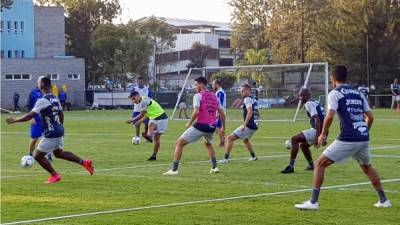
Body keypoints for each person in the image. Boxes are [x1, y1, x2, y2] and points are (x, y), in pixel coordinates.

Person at [295, 65, 391, 210]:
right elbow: (370, 117)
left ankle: (313, 202)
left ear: (333, 79)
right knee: (367, 167)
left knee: (319, 164)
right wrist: (364, 131)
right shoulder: (358, 94)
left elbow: (329, 116)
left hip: (349, 138)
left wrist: (322, 134)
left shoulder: (335, 93)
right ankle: (384, 200)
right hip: (363, 137)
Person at [6, 76, 94, 184]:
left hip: (51, 133)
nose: (37, 84)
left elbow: (29, 116)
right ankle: (85, 163)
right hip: (58, 130)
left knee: (37, 156)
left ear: (42, 84)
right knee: (58, 153)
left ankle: (55, 175)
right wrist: (59, 126)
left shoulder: (42, 100)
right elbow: (61, 114)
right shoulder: (55, 98)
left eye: (38, 82)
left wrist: (14, 120)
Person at [163, 77, 225, 175]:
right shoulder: (214, 96)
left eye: (195, 84)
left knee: (179, 143)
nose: (194, 87)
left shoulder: (198, 95)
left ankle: (174, 170)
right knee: (208, 144)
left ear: (201, 85)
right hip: (212, 126)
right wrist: (222, 128)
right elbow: (222, 112)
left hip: (201, 125)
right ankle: (215, 167)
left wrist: (189, 123)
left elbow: (196, 111)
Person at [281, 88, 325, 173]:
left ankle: (291, 166)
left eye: (300, 95)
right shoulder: (315, 102)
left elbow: (317, 120)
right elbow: (323, 118)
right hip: (321, 130)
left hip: (317, 130)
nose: (299, 98)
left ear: (306, 95)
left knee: (294, 139)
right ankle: (311, 165)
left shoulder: (309, 103)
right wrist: (325, 134)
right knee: (303, 146)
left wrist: (317, 137)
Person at [219, 84, 258, 163]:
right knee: (246, 140)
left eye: (243, 91)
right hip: (254, 125)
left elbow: (250, 112)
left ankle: (226, 159)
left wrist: (244, 125)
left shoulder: (247, 99)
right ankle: (253, 157)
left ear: (248, 91)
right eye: (241, 91)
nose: (241, 92)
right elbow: (257, 112)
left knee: (229, 138)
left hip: (249, 125)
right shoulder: (253, 99)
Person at [127, 91, 168, 161]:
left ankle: (153, 153)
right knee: (151, 126)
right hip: (153, 118)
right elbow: (144, 115)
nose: (133, 101)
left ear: (137, 95)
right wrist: (134, 120)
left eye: (133, 99)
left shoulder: (144, 101)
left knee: (156, 138)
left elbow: (143, 115)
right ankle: (149, 137)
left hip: (162, 118)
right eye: (132, 100)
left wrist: (134, 120)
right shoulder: (142, 100)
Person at [130, 77, 153, 142]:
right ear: (137, 82)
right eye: (139, 81)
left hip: (146, 109)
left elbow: (150, 98)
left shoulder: (147, 89)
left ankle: (147, 137)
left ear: (143, 82)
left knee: (147, 124)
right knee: (137, 124)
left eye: (142, 81)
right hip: (137, 109)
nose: (140, 83)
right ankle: (137, 137)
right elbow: (131, 97)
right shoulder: (134, 89)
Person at [212, 80, 226, 147]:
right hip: (220, 112)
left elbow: (219, 103)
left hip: (220, 113)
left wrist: (218, 113)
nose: (212, 86)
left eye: (213, 84)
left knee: (218, 128)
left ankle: (222, 142)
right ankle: (223, 139)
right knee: (217, 128)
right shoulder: (219, 92)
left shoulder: (220, 92)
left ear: (216, 84)